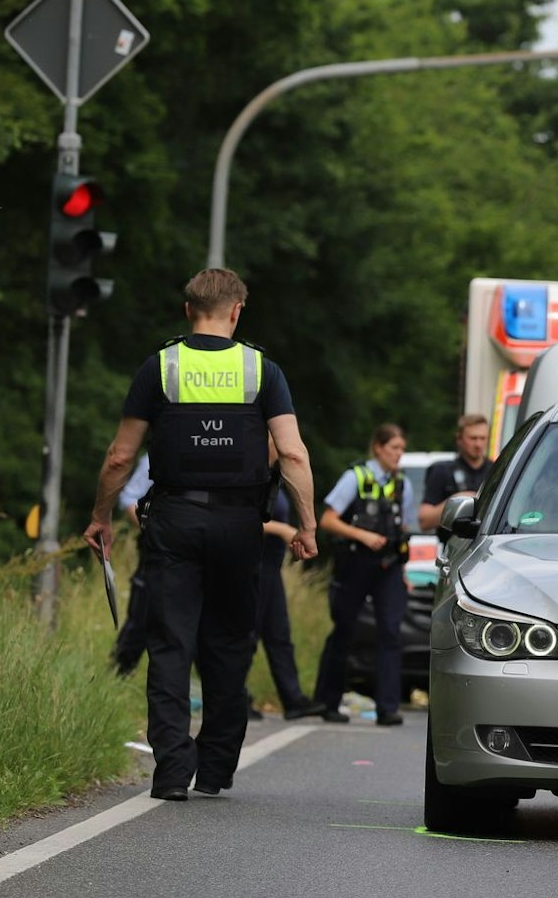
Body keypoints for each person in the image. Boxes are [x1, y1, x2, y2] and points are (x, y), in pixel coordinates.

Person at [83, 268, 318, 801]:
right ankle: (213, 770)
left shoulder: (159, 367)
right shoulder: (263, 370)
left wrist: (100, 517)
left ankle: (170, 773)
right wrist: (305, 526)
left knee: (170, 645)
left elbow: (121, 456)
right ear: (237, 311)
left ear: (188, 311)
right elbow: (293, 452)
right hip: (241, 526)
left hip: (173, 521)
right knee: (230, 644)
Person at [308, 424, 410, 726]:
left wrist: (402, 569)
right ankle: (327, 702)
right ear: (378, 448)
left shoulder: (402, 484)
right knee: (345, 629)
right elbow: (327, 520)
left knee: (391, 632)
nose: (398, 455)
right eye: (394, 448)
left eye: (402, 449)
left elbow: (402, 526)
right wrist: (362, 536)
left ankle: (387, 707)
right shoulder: (356, 477)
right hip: (356, 560)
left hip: (389, 565)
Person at [253, 440, 319, 721]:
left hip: (271, 566)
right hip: (252, 565)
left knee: (279, 635)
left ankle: (292, 698)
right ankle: (233, 697)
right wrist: (282, 529)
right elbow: (236, 517)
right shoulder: (250, 473)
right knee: (247, 633)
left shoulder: (274, 474)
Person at [108, 453, 154, 677]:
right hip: (158, 548)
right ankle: (118, 675)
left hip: (199, 549)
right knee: (142, 614)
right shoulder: (157, 453)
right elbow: (130, 499)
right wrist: (154, 532)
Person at [419, 413, 492, 531]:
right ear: (459, 439)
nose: (478, 444)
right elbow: (424, 521)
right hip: (452, 546)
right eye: (473, 438)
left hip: (485, 544)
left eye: (483, 438)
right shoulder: (442, 471)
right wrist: (457, 501)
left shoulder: (497, 471)